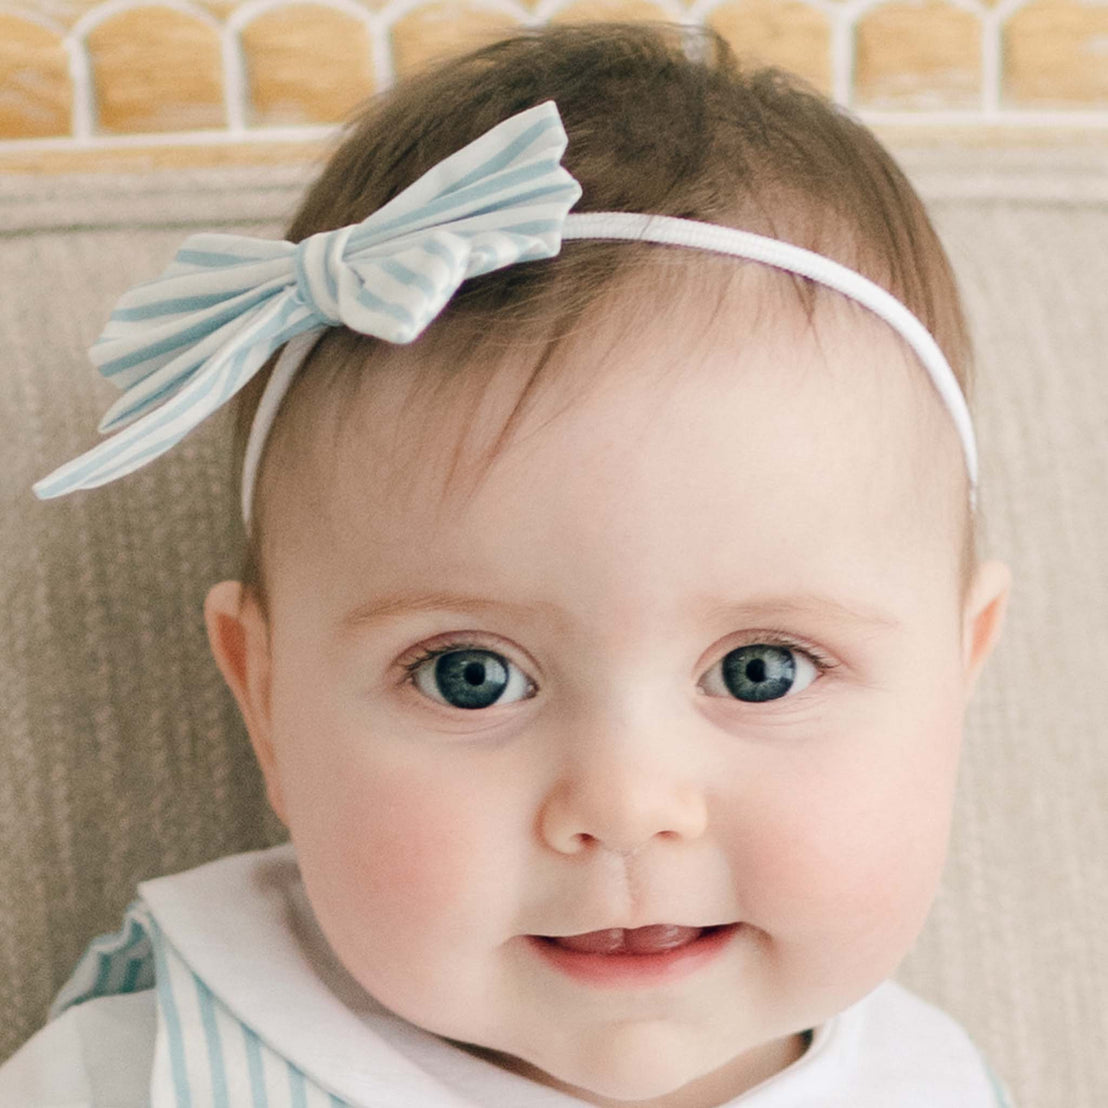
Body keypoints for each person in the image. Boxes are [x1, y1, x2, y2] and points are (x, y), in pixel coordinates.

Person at [1, 21, 1015, 1107]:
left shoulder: (934, 1081)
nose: (624, 804)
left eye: (761, 666)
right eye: (468, 674)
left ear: (956, 677)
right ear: (265, 700)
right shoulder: (130, 1076)